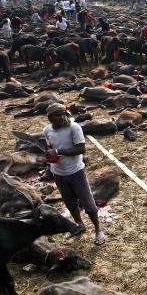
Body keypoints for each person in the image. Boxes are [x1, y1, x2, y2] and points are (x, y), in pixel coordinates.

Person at [43, 103, 105, 246]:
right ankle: (79, 225)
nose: (61, 117)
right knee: (69, 202)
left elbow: (81, 148)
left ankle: (98, 230)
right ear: (49, 117)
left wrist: (58, 152)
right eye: (57, 115)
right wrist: (50, 155)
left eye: (62, 114)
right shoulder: (47, 131)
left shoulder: (73, 127)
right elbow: (50, 147)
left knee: (89, 204)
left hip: (76, 171)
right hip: (58, 173)